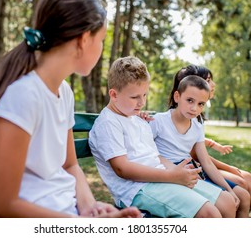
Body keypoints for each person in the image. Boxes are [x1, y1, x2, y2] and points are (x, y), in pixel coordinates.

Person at [0, 0, 141, 218]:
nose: (102, 48)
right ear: (84, 40)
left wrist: (90, 207)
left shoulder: (63, 92)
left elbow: (70, 165)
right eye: (101, 39)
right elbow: (2, 207)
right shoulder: (23, 96)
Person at [89, 56, 237, 218]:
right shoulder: (108, 123)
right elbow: (122, 169)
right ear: (114, 94)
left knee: (227, 202)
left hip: (161, 178)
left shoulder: (136, 119)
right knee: (210, 214)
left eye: (144, 95)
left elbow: (155, 156)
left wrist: (175, 170)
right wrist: (172, 176)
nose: (141, 102)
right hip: (137, 189)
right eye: (135, 97)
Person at [171, 65, 251, 218]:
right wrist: (228, 167)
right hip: (193, 169)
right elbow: (195, 155)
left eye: (200, 104)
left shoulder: (196, 119)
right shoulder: (175, 118)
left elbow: (200, 151)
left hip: (199, 167)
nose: (213, 84)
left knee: (245, 181)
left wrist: (213, 145)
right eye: (209, 80)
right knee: (243, 184)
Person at [149, 74, 251, 217]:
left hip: (190, 172)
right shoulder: (158, 121)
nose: (194, 108)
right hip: (167, 171)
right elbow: (146, 152)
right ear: (177, 97)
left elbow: (206, 163)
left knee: (231, 200)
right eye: (190, 100)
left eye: (200, 104)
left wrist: (229, 189)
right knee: (224, 206)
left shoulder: (197, 125)